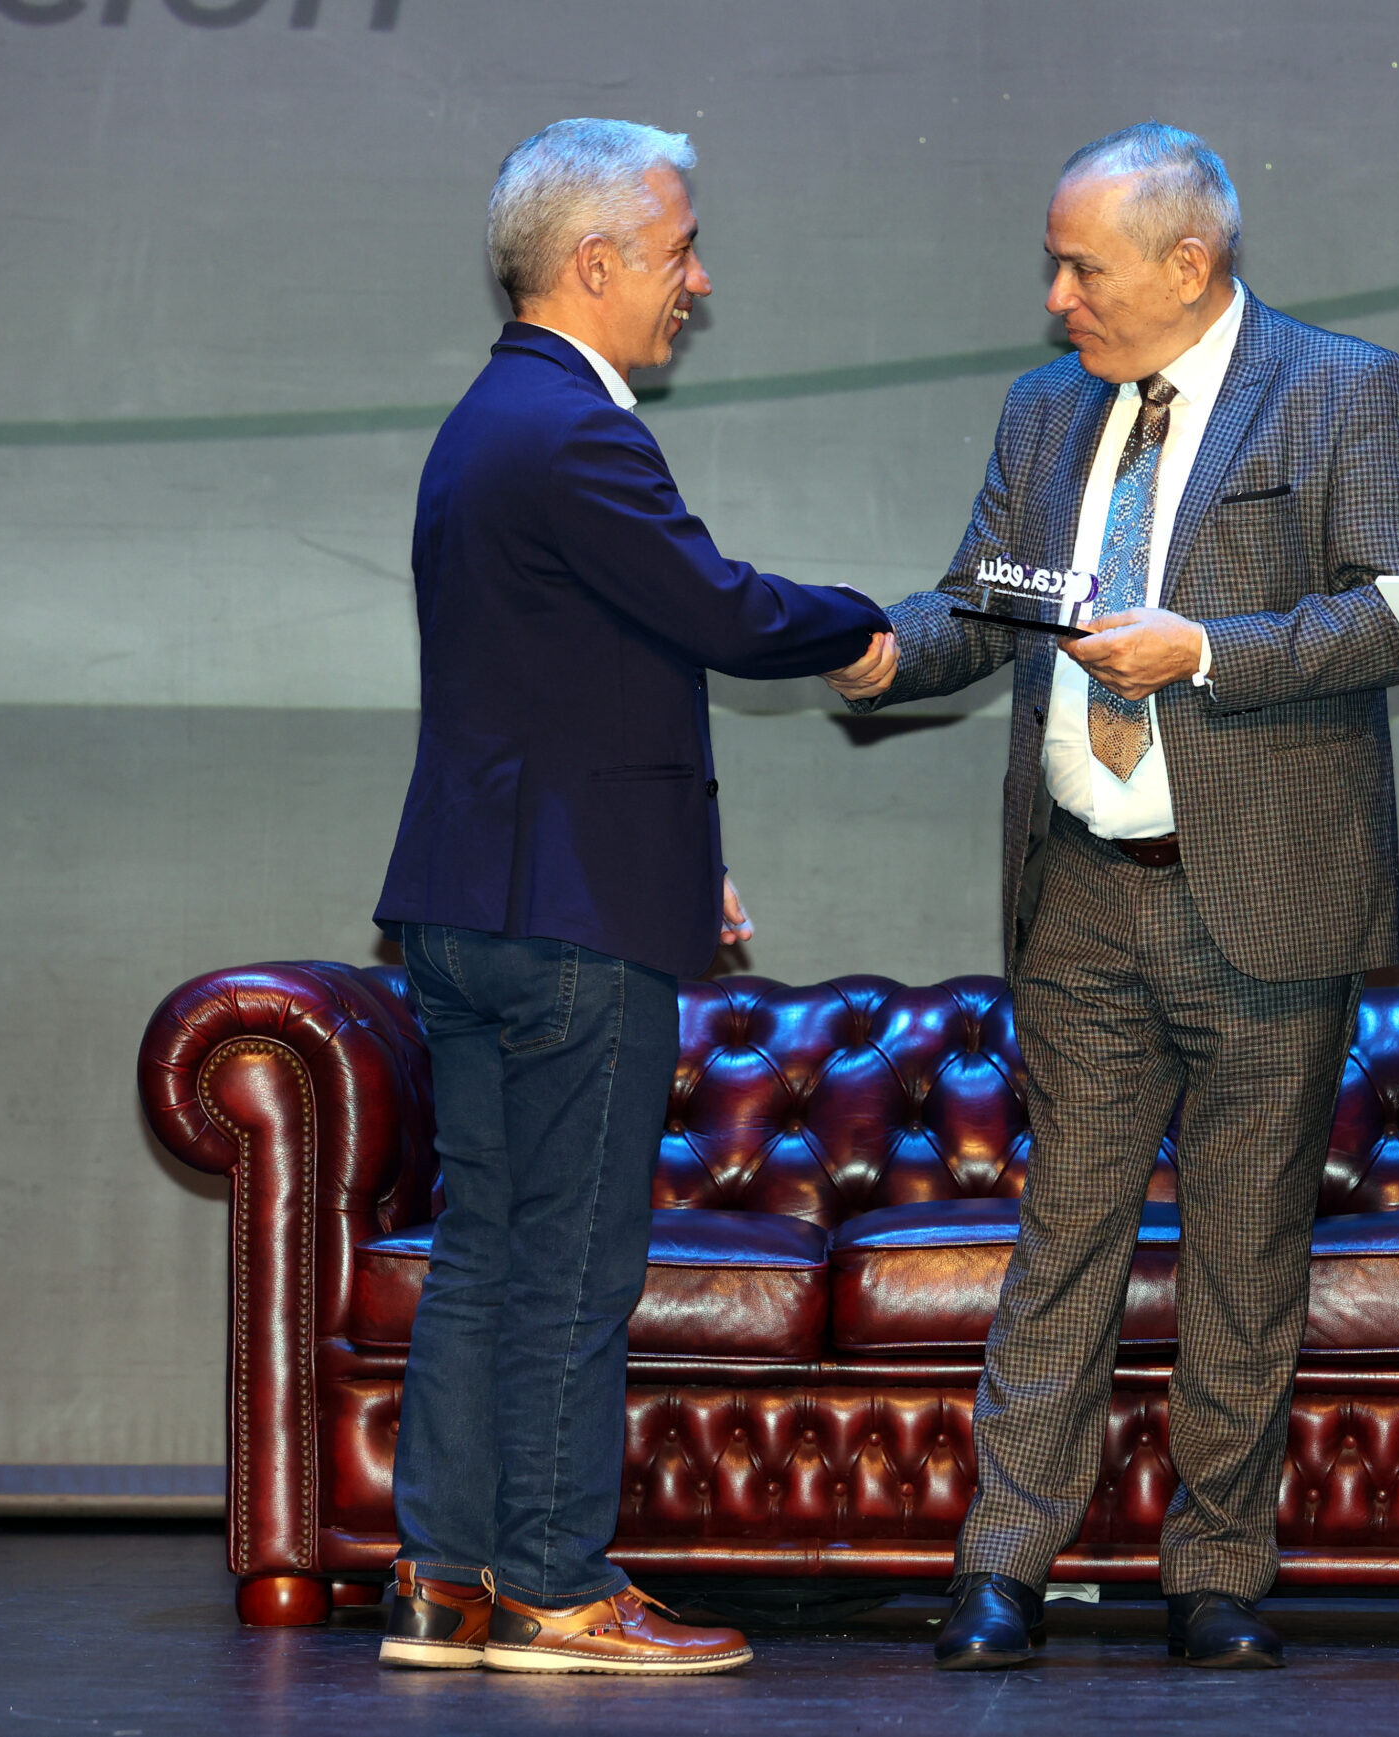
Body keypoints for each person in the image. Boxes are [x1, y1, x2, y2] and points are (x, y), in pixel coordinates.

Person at [827, 122, 1399, 1671]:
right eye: (1056, 267)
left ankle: (1216, 1574)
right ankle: (1003, 1567)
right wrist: (877, 652)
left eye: (1081, 269)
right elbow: (986, 601)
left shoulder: (1347, 389)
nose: (1057, 300)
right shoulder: (1048, 409)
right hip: (1082, 894)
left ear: (1190, 260)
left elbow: (1396, 615)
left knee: (1247, 1254)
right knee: (1065, 1239)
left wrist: (1208, 651)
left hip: (1267, 895)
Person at [370, 118, 892, 1675]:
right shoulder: (576, 432)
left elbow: (567, 681)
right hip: (567, 929)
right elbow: (714, 610)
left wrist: (676, 851)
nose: (698, 280)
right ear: (594, 264)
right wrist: (868, 626)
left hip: (469, 903)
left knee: (485, 1246)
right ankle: (553, 1587)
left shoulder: (487, 422)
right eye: (680, 251)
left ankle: (443, 1583)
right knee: (574, 1260)